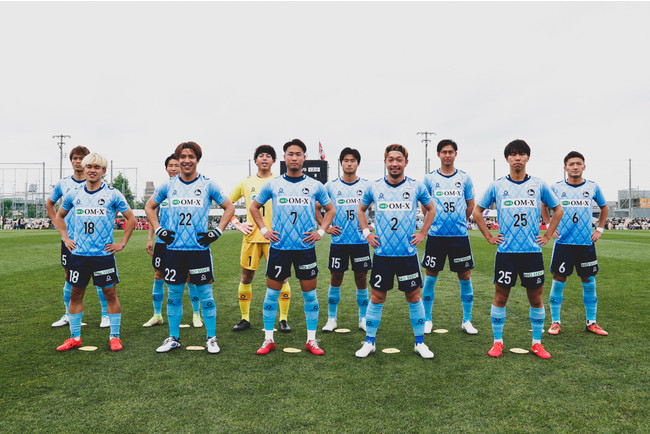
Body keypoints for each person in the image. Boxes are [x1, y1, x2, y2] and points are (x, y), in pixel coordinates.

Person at [473, 140, 563, 359]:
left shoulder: (539, 185)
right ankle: (497, 342)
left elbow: (558, 209)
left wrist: (548, 235)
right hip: (506, 253)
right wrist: (489, 236)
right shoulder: (497, 186)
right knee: (501, 296)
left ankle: (537, 343)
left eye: (521, 154)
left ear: (527, 158)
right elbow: (477, 211)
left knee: (536, 299)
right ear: (507, 158)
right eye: (513, 154)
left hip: (532, 253)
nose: (517, 158)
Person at [145, 141, 235, 354]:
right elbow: (149, 206)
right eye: (183, 157)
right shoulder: (168, 185)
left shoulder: (208, 184)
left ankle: (211, 338)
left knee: (206, 295)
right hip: (174, 250)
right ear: (178, 159)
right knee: (174, 295)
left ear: (197, 159)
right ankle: (173, 338)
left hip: (199, 250)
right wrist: (159, 230)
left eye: (191, 157)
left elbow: (229, 207)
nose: (187, 160)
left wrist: (217, 232)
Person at [250, 139, 335, 355]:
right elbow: (254, 207)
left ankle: (311, 340)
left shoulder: (315, 185)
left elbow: (330, 210)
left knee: (310, 296)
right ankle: (268, 339)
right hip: (279, 248)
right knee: (271, 295)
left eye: (298, 154)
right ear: (284, 157)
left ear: (304, 158)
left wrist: (321, 232)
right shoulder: (273, 184)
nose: (294, 157)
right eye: (290, 154)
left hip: (305, 249)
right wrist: (264, 230)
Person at [355, 144, 436, 359]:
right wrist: (367, 233)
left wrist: (423, 233)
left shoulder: (416, 186)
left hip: (407, 255)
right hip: (382, 254)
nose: (394, 163)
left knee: (414, 296)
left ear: (406, 162)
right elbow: (361, 210)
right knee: (377, 297)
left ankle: (420, 343)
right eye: (390, 159)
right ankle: (369, 342)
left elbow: (431, 209)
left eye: (399, 159)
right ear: (385, 162)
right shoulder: (374, 187)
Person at [54, 153, 136, 351]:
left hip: (103, 256)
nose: (92, 170)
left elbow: (131, 219)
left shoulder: (113, 194)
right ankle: (74, 337)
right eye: (89, 166)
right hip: (79, 255)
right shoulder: (74, 194)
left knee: (110, 294)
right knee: (75, 294)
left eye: (97, 167)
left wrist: (121, 244)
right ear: (84, 168)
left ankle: (114, 337)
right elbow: (59, 216)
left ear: (103, 171)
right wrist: (66, 238)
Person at [542, 151, 609, 336]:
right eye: (571, 164)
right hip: (563, 243)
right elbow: (543, 205)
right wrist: (548, 225)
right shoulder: (556, 188)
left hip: (585, 243)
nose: (575, 167)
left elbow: (604, 207)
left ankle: (591, 322)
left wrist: (600, 229)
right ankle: (555, 322)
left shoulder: (592, 187)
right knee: (559, 279)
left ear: (584, 167)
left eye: (579, 163)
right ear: (565, 168)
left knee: (589, 281)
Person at [228, 145, 292, 333]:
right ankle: (245, 318)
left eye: (268, 156)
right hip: (251, 238)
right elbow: (227, 204)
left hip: (275, 240)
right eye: (261, 156)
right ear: (255, 160)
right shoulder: (245, 183)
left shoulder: (281, 182)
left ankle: (283, 319)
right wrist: (237, 224)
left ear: (273, 161)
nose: (264, 158)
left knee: (282, 278)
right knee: (246, 277)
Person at [47, 145, 110, 329]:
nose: (77, 161)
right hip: (70, 240)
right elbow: (50, 204)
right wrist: (59, 226)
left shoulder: (96, 184)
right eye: (74, 158)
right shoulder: (63, 184)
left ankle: (105, 314)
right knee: (69, 275)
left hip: (93, 241)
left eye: (81, 158)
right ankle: (69, 314)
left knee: (101, 277)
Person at [421, 139, 478, 335]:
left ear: (455, 154)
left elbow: (470, 205)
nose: (447, 155)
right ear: (438, 154)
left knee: (465, 276)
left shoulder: (465, 178)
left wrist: (460, 220)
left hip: (459, 236)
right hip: (436, 236)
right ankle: (427, 319)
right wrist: (433, 222)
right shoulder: (429, 179)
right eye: (444, 152)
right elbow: (425, 205)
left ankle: (467, 320)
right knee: (430, 277)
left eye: (450, 152)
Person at [144, 154, 203, 328]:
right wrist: (150, 238)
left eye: (176, 165)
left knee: (190, 277)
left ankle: (196, 314)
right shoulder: (163, 190)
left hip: (185, 242)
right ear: (166, 168)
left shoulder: (189, 189)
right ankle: (157, 315)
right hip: (163, 242)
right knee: (159, 275)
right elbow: (153, 215)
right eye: (170, 165)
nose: (173, 168)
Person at [317, 147, 371, 332]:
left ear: (358, 163)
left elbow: (381, 206)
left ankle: (363, 318)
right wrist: (325, 227)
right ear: (341, 163)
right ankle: (332, 319)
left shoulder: (367, 186)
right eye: (346, 160)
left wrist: (371, 226)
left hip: (360, 242)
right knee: (336, 277)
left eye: (353, 160)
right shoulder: (330, 186)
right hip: (339, 242)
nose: (349, 163)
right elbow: (316, 206)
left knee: (361, 278)